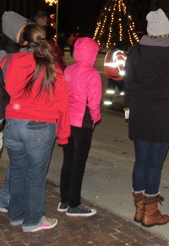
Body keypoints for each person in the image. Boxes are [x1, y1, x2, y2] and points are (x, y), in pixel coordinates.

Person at [0, 23, 70, 232]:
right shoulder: (51, 67)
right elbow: (63, 103)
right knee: (36, 175)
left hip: (12, 124)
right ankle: (33, 220)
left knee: (18, 171)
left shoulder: (8, 60)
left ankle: (16, 215)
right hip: (40, 127)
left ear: (23, 41)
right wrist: (64, 134)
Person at [124, 9, 169, 226]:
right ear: (165, 31)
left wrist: (128, 106)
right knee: (154, 164)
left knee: (141, 160)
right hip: (162, 114)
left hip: (140, 112)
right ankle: (151, 211)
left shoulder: (136, 51)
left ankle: (139, 208)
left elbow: (128, 81)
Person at [58, 37, 102, 217]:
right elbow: (94, 102)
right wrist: (95, 118)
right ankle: (74, 204)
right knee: (78, 163)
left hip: (68, 120)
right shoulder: (92, 74)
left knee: (68, 161)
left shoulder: (68, 69)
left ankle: (65, 200)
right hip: (82, 122)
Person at [0, 11, 28, 213]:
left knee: (16, 161)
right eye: (21, 30)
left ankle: (4, 198)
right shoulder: (5, 54)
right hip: (6, 112)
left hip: (9, 114)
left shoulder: (18, 50)